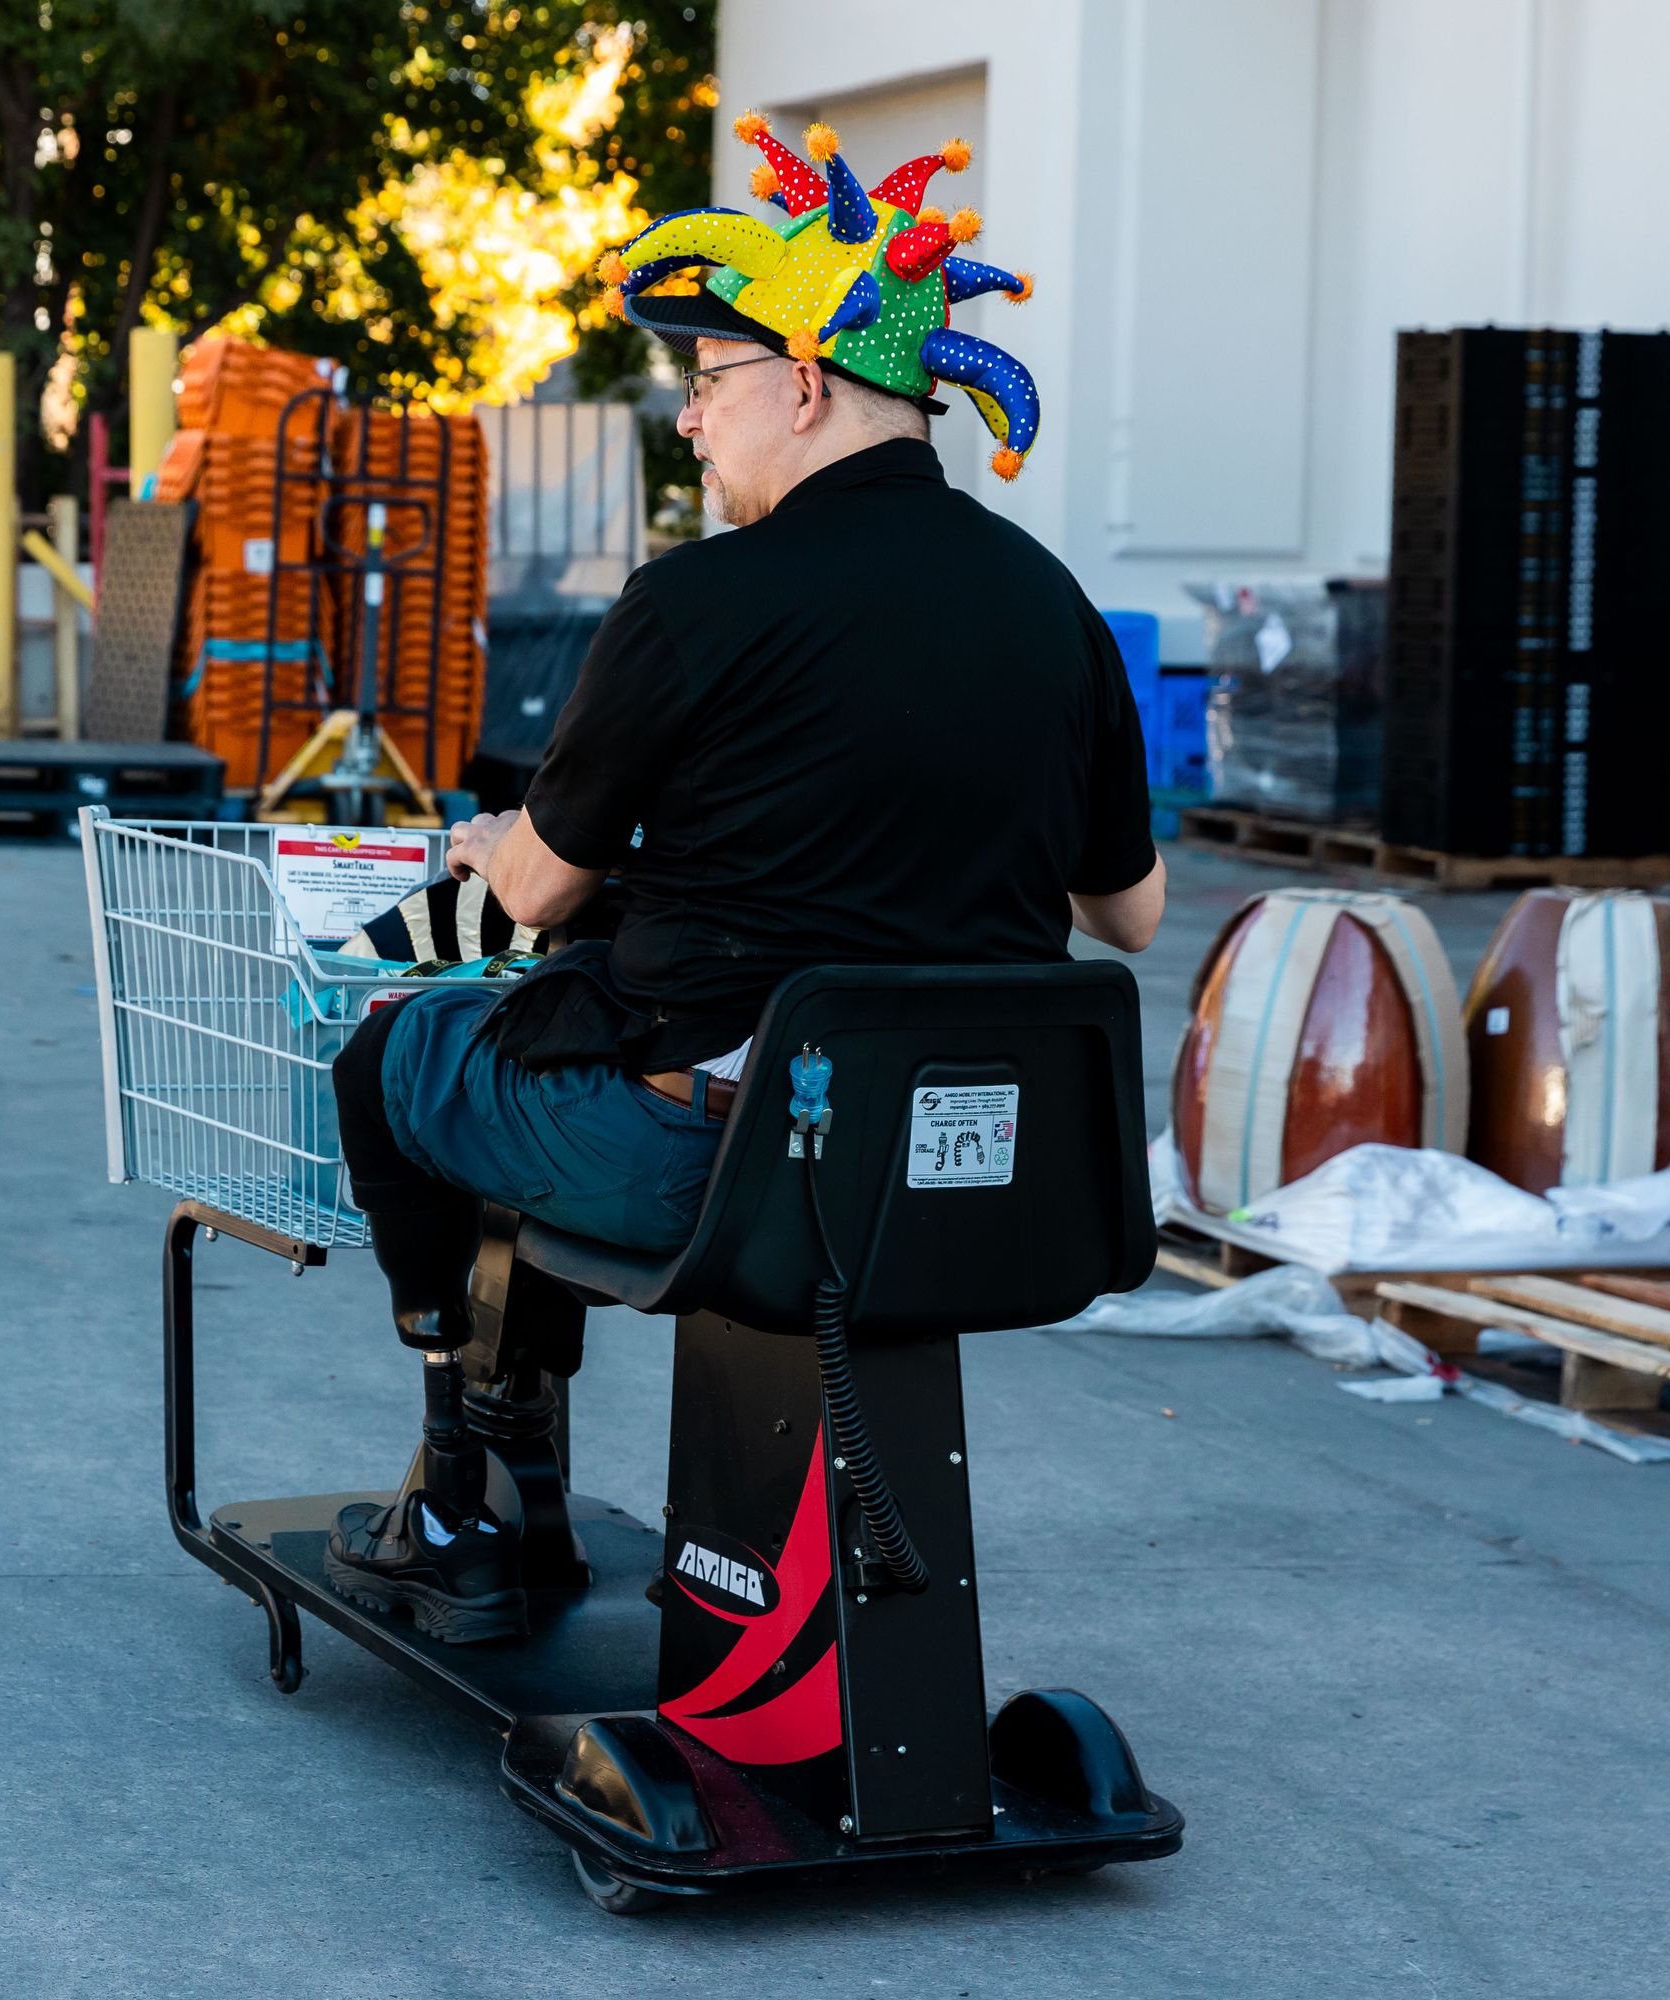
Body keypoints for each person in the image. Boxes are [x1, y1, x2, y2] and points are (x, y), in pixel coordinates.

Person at [323, 113, 1166, 1641]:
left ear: (800, 384)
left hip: (722, 1167)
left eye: (705, 388)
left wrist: (489, 851)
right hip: (979, 1172)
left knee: (410, 1050)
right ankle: (528, 1478)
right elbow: (1131, 915)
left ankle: (466, 1484)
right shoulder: (1056, 609)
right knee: (559, 1046)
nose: (691, 424)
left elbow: (532, 896)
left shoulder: (695, 602)